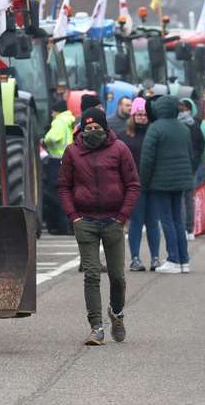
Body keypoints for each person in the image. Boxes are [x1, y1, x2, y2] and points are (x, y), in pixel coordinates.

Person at [58, 107, 140, 346]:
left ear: (105, 128)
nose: (93, 131)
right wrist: (73, 216)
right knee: (92, 275)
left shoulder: (120, 149)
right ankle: (96, 327)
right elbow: (64, 186)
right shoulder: (72, 152)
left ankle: (117, 312)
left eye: (97, 127)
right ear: (81, 129)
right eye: (88, 128)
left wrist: (122, 216)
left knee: (117, 277)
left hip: (113, 221)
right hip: (85, 221)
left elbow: (133, 184)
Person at [138, 95, 194, 273]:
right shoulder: (184, 128)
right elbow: (191, 155)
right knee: (178, 220)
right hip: (181, 180)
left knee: (166, 220)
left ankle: (173, 259)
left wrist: (143, 182)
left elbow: (147, 158)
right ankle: (184, 260)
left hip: (160, 182)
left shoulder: (155, 128)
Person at [118, 99, 158, 271]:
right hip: (133, 185)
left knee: (152, 222)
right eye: (139, 114)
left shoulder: (154, 133)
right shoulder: (123, 136)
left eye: (145, 114)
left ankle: (155, 258)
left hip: (153, 184)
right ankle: (135, 258)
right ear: (133, 115)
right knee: (136, 221)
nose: (142, 117)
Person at [42, 98, 77, 234]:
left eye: (53, 112)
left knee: (57, 195)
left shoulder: (58, 122)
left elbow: (52, 137)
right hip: (69, 161)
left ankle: (62, 226)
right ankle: (69, 226)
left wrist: (45, 141)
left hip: (57, 162)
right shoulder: (70, 121)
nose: (51, 114)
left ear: (57, 112)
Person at [178, 98, 205, 239]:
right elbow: (202, 144)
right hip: (191, 166)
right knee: (189, 198)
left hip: (178, 166)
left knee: (180, 199)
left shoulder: (176, 125)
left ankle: (183, 228)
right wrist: (195, 162)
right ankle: (190, 229)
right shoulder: (195, 124)